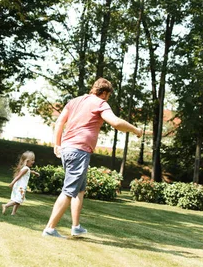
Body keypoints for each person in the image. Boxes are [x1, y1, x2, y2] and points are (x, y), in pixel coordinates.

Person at [42, 78, 143, 238]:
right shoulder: (100, 103)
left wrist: (57, 143)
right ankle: (50, 229)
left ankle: (76, 226)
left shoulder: (74, 101)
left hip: (68, 148)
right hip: (79, 151)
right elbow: (115, 123)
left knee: (79, 190)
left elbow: (60, 121)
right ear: (104, 93)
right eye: (108, 96)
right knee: (69, 191)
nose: (108, 99)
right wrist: (136, 130)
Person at [2, 151, 39, 216]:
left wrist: (35, 173)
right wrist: (12, 183)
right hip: (21, 187)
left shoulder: (26, 168)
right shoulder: (26, 169)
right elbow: (18, 176)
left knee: (18, 200)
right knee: (19, 200)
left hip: (19, 186)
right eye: (32, 160)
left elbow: (29, 171)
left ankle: (13, 213)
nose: (33, 162)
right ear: (27, 161)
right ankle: (6, 205)